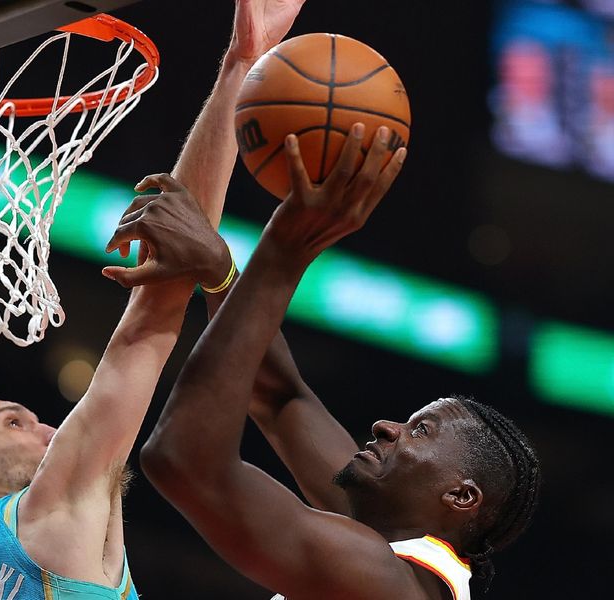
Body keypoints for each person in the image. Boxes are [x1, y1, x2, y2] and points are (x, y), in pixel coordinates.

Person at [0, 1, 307, 598]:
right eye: (13, 423)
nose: (49, 429)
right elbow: (158, 303)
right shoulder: (38, 519)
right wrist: (238, 69)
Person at [122, 127, 541, 600]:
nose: (386, 426)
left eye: (420, 431)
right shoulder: (390, 548)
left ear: (460, 497)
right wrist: (219, 271)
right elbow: (279, 395)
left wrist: (287, 247)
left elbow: (182, 459)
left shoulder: (385, 583)